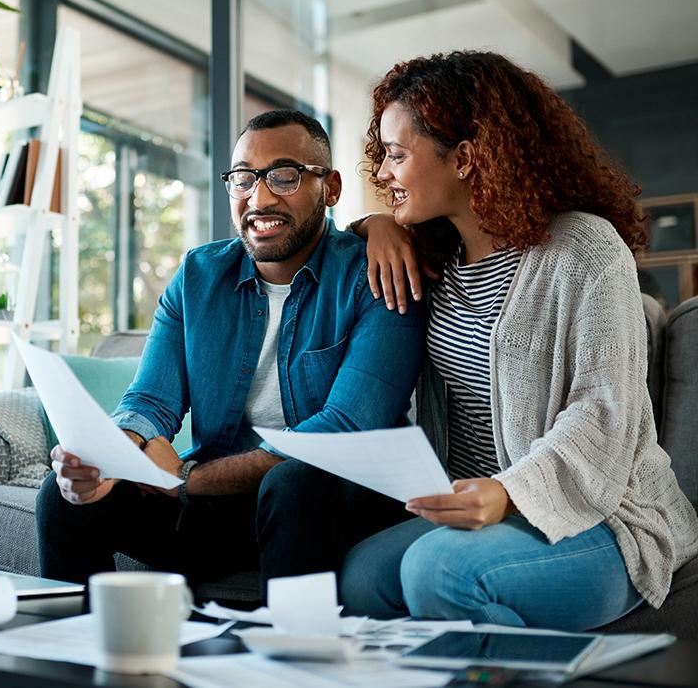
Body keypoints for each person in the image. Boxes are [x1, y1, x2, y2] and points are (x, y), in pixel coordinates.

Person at [339, 50, 698, 630]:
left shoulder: (586, 250)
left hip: (604, 515)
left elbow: (602, 413)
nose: (381, 172)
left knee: (437, 572)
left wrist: (507, 492)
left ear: (465, 157)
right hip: (479, 511)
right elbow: (341, 239)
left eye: (397, 155)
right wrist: (372, 224)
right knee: (360, 575)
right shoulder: (434, 257)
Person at [35, 109, 426, 598]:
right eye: (243, 179)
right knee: (64, 496)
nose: (258, 198)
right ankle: (73, 659)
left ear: (331, 188)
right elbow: (150, 402)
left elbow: (341, 432)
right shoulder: (199, 276)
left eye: (284, 176)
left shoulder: (376, 276)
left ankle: (291, 662)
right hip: (220, 509)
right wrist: (111, 453)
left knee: (295, 482)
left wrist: (184, 477)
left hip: (328, 504)